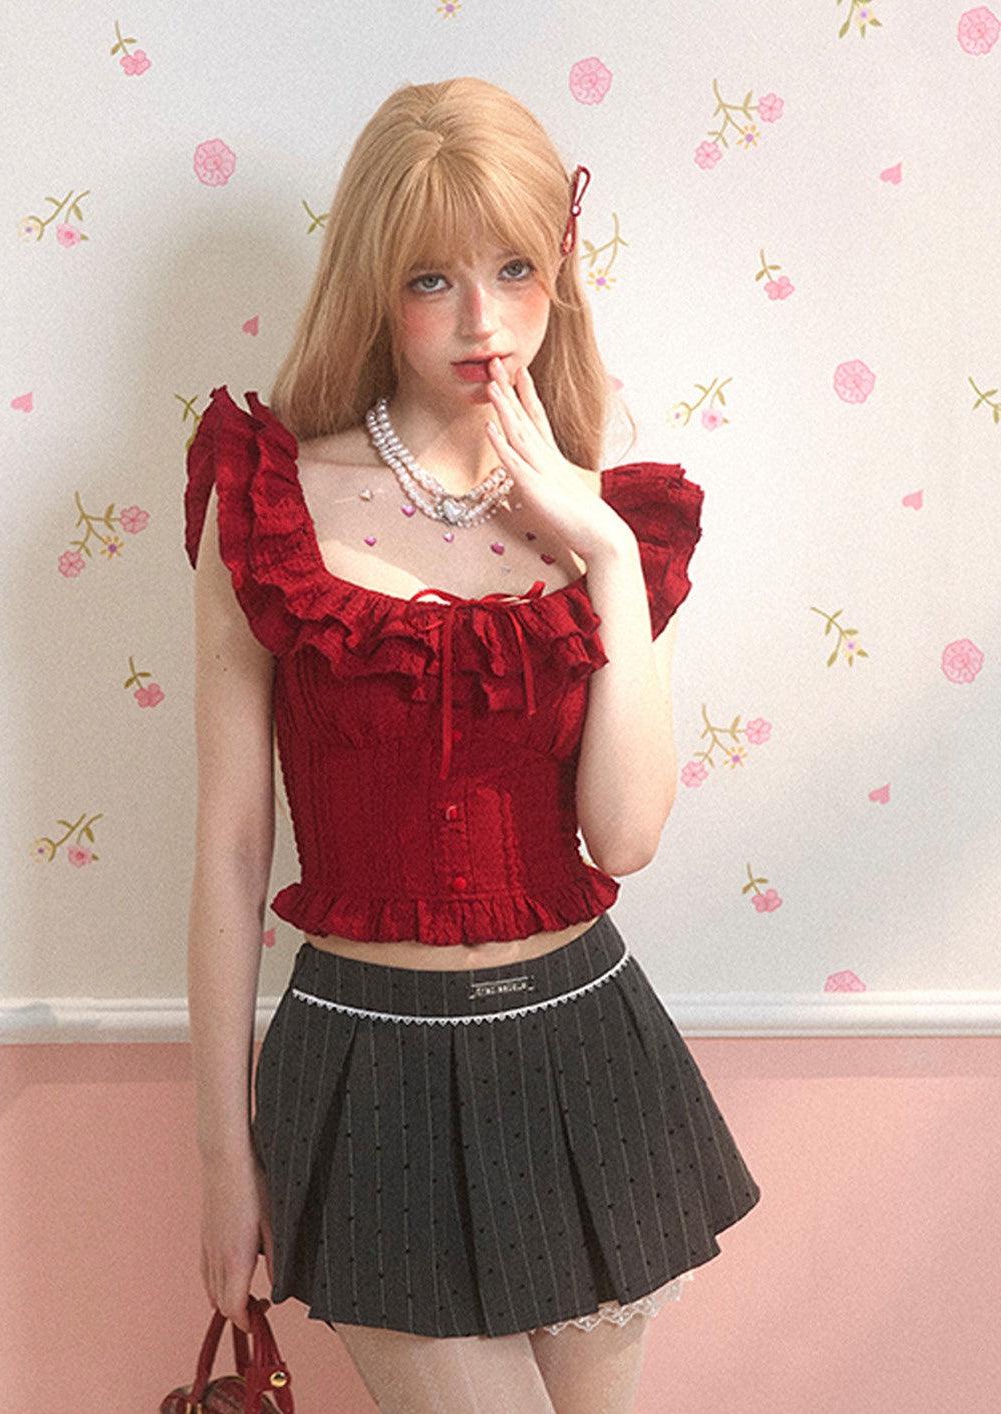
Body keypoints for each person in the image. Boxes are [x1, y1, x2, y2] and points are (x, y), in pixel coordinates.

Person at [184, 75, 761, 1414]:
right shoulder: (271, 502)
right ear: (373, 287)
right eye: (432, 280)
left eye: (514, 269)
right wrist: (220, 1156)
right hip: (366, 1059)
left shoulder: (611, 523)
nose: (484, 321)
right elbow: (229, 848)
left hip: (585, 1045)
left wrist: (604, 553)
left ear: (561, 273)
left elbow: (625, 837)